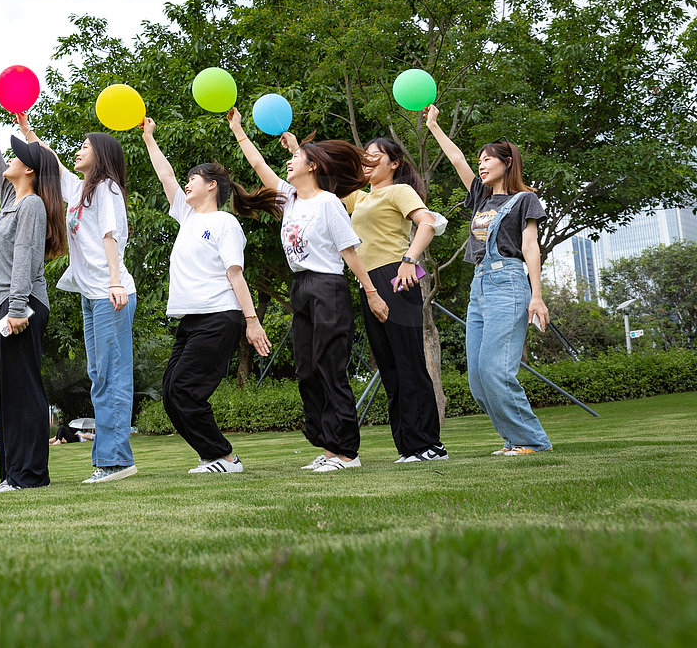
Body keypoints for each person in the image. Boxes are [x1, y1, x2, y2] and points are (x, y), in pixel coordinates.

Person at [227, 109, 388, 473]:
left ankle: (347, 452)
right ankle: (329, 447)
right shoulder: (290, 199)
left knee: (330, 368)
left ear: (312, 166)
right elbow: (258, 166)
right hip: (301, 287)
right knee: (307, 370)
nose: (288, 162)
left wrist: (372, 292)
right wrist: (239, 131)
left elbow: (349, 252)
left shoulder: (328, 203)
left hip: (327, 287)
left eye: (295, 158)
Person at [282, 131, 448, 462]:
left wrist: (409, 262)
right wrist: (299, 150)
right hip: (367, 284)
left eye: (375, 156)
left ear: (394, 163)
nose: (367, 161)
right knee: (389, 367)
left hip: (397, 278)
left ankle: (429, 444)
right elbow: (311, 189)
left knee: (409, 362)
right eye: (365, 156)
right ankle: (408, 446)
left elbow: (427, 223)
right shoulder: (359, 198)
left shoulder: (400, 191)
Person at [141, 117, 273, 474]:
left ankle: (226, 458)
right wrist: (149, 138)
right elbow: (166, 176)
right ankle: (212, 456)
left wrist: (252, 321)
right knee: (171, 394)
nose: (185, 184)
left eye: (192, 180)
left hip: (220, 316)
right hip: (192, 319)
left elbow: (235, 275)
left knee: (185, 390)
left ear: (211, 186)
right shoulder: (187, 216)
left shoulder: (225, 224)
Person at [424, 105, 553, 455]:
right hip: (479, 288)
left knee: (496, 372)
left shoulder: (525, 199)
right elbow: (455, 160)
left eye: (487, 160)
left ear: (507, 162)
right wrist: (434, 126)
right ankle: (515, 441)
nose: (480, 165)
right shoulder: (481, 197)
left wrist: (536, 296)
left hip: (509, 284)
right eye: (479, 160)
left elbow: (530, 247)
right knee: (478, 380)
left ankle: (532, 441)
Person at [16, 114, 137, 484]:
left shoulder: (107, 190)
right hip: (92, 293)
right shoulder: (81, 189)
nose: (79, 150)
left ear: (101, 155)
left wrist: (115, 281)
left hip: (110, 292)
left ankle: (116, 461)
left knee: (111, 376)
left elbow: (111, 233)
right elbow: (50, 161)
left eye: (86, 146)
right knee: (98, 373)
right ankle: (109, 459)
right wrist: (26, 129)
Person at [0, 90, 66, 490]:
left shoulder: (32, 206)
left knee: (24, 393)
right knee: (8, 395)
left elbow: (26, 255)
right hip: (5, 306)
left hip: (20, 306)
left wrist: (19, 308)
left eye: (17, 155)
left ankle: (30, 475)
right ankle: (12, 474)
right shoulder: (12, 198)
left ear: (30, 170)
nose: (9, 158)